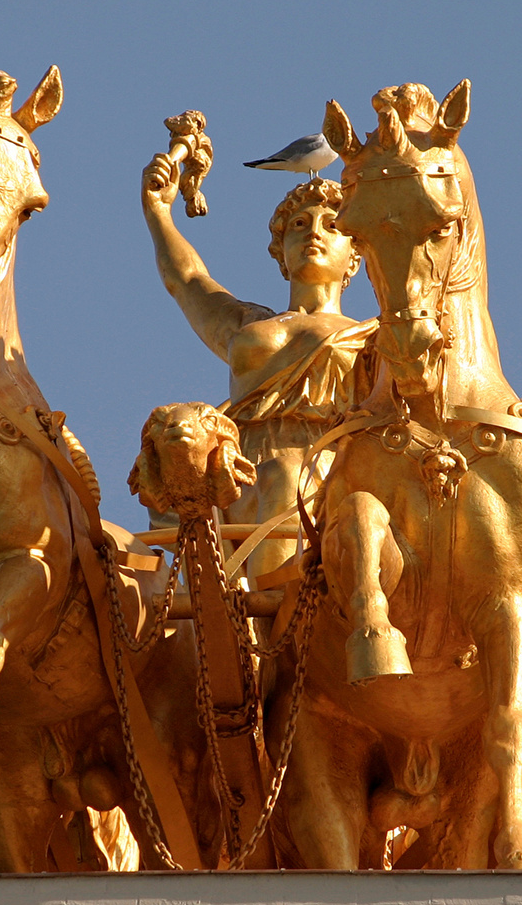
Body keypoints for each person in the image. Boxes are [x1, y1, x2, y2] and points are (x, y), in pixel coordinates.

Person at [142, 152, 376, 585]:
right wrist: (159, 211)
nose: (314, 234)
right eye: (299, 226)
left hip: (327, 478)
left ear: (355, 254)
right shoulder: (248, 323)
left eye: (332, 225)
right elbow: (188, 279)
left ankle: (269, 615)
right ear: (281, 253)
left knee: (285, 474)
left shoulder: (373, 338)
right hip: (234, 478)